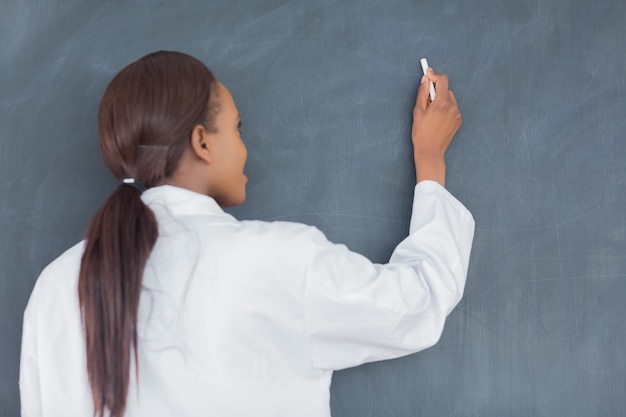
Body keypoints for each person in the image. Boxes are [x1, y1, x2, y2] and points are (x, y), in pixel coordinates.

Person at [19, 51, 474, 417]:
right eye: (236, 128)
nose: (245, 147)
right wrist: (430, 159)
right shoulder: (277, 262)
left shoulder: (56, 288)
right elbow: (418, 302)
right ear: (201, 142)